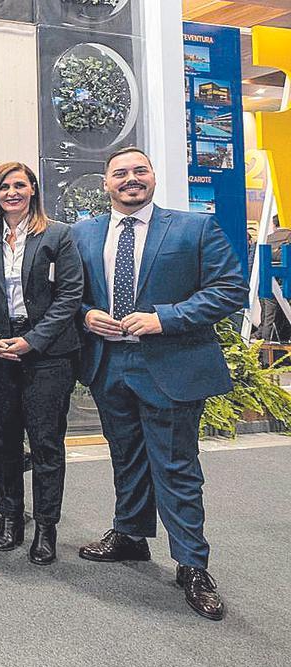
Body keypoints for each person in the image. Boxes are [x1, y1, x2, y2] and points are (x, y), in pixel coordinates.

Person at [73, 147, 245, 620]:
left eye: (139, 171)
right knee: (125, 457)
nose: (130, 179)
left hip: (171, 366)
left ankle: (192, 563)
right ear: (105, 183)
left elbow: (230, 289)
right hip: (109, 365)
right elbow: (70, 294)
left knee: (175, 467)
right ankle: (129, 534)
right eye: (120, 173)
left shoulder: (194, 228)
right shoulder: (84, 234)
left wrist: (164, 319)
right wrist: (87, 314)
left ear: (152, 177)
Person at [0, 163, 83, 564]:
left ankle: (46, 528)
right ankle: (10, 518)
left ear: (33, 189)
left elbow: (70, 297)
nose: (12, 192)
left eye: (20, 185)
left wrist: (31, 341)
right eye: (4, 186)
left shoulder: (57, 235)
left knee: (47, 444)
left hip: (48, 355)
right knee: (4, 440)